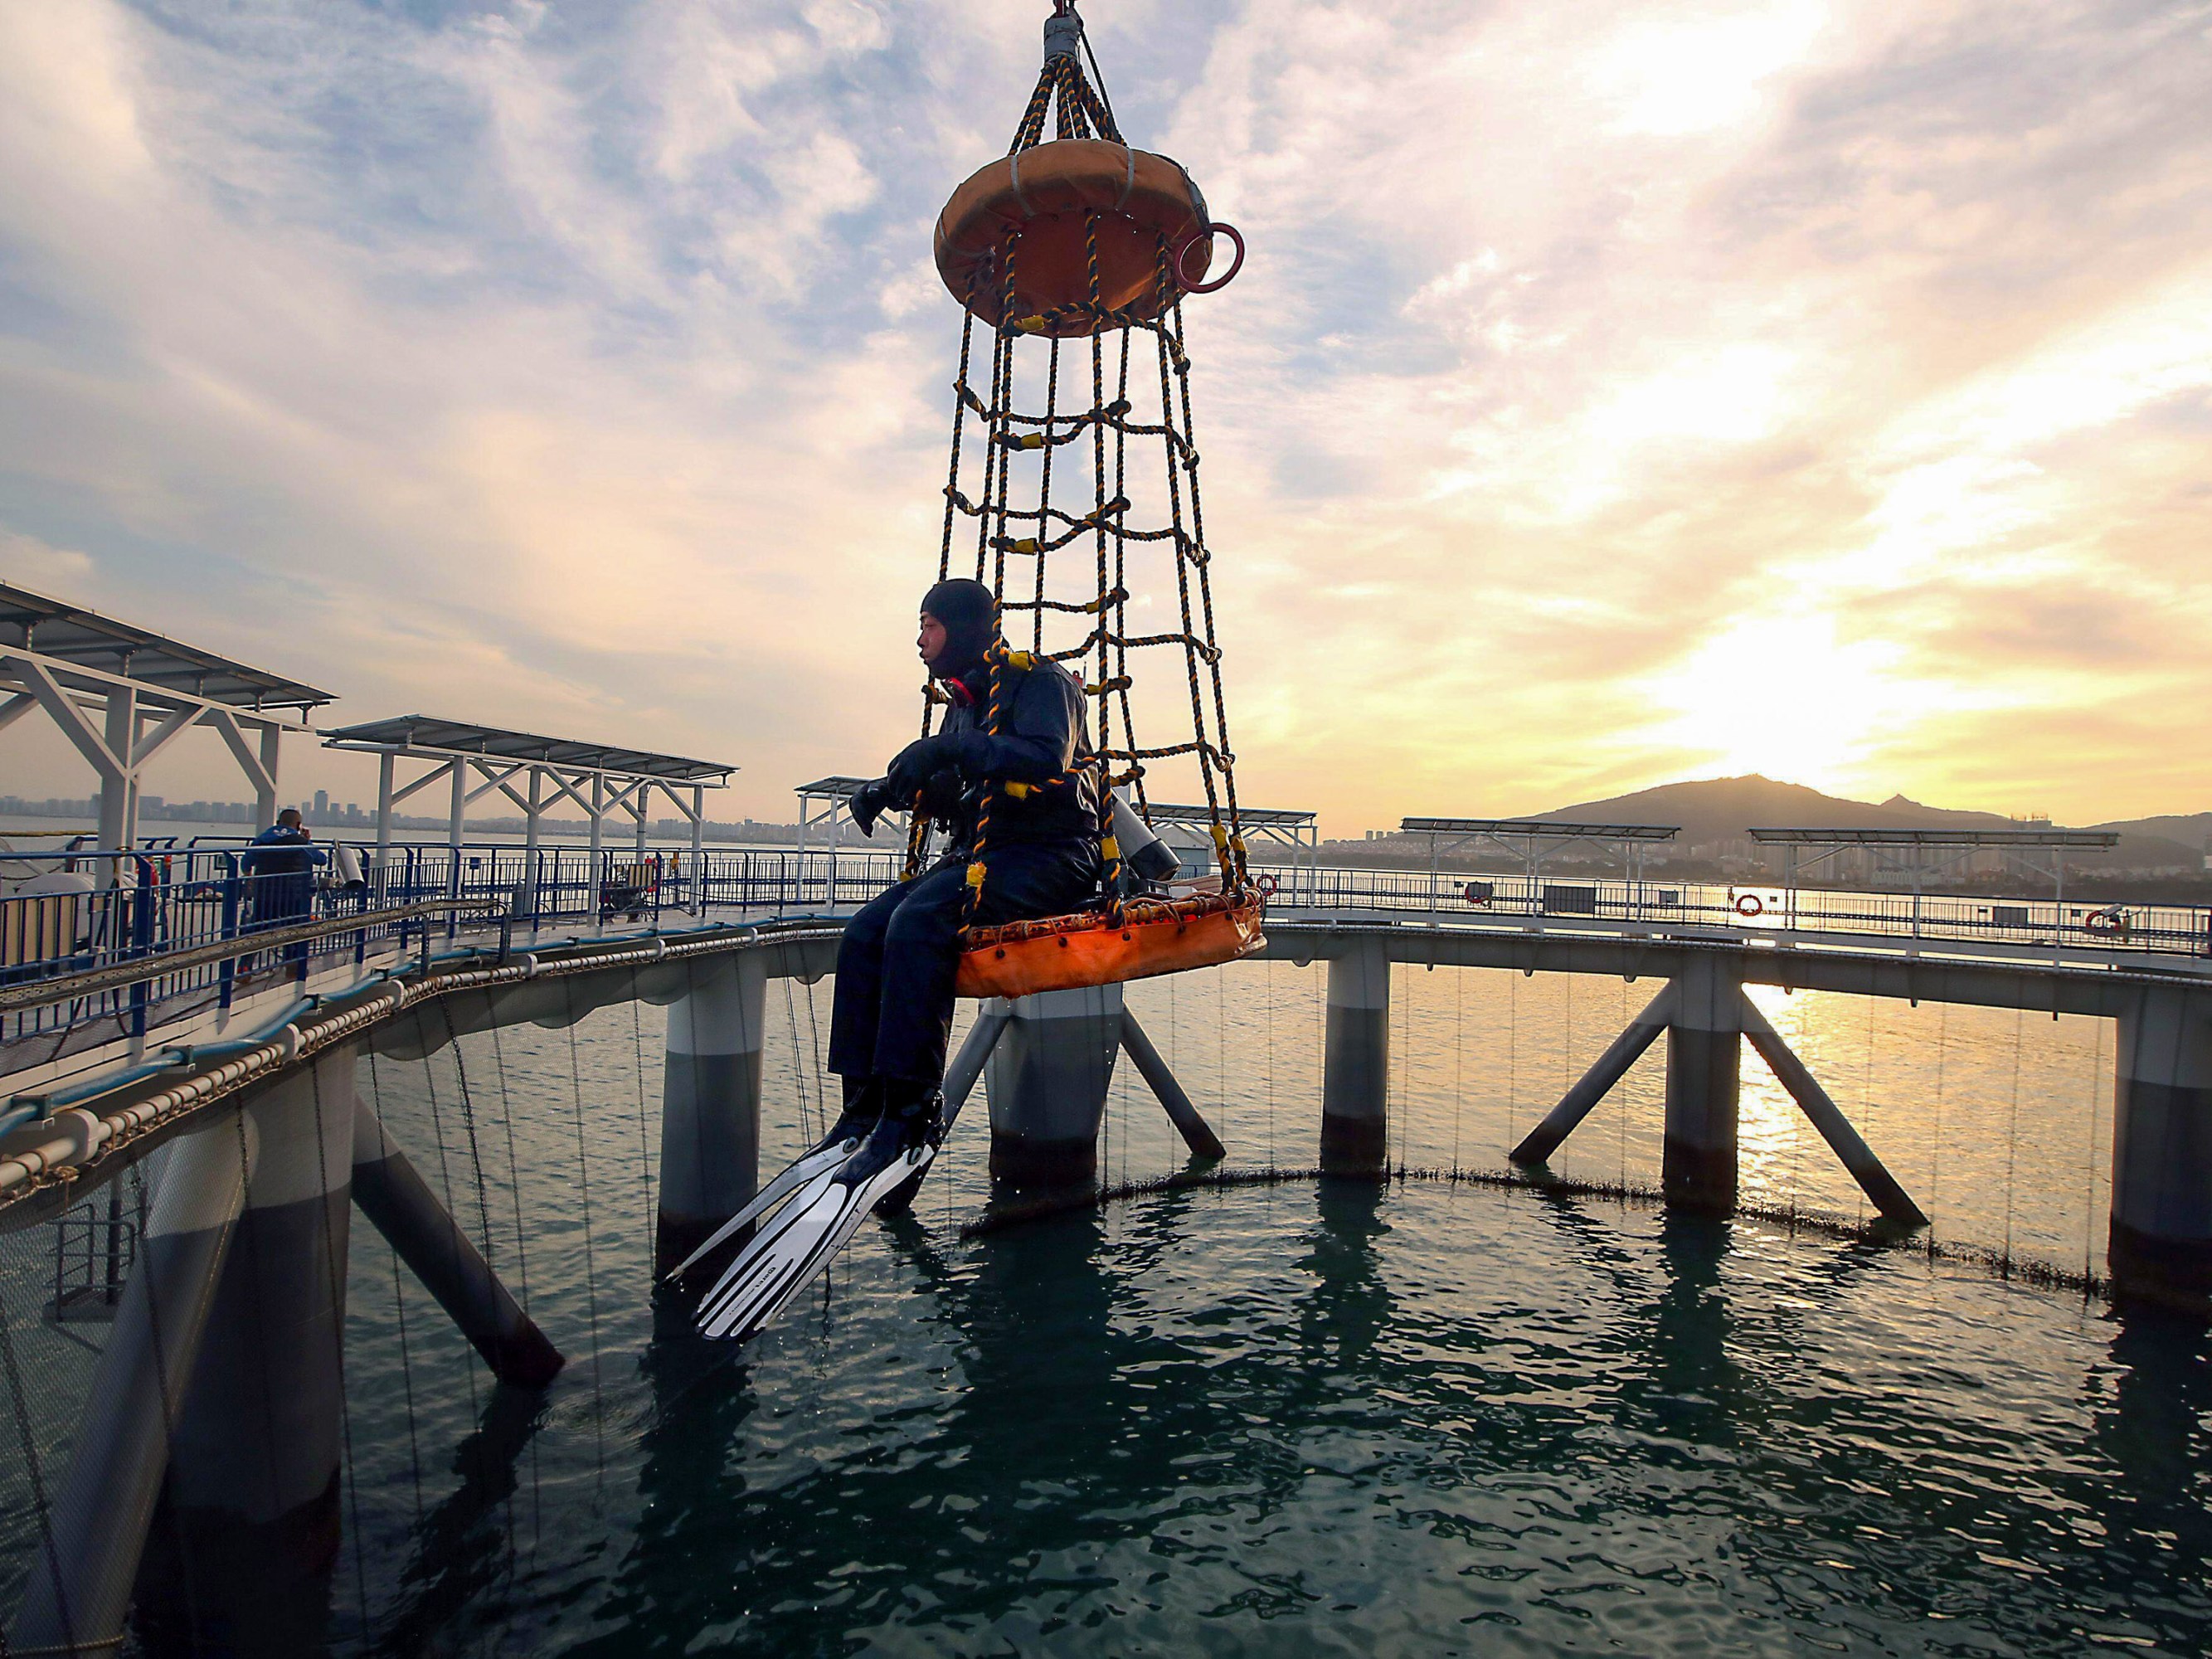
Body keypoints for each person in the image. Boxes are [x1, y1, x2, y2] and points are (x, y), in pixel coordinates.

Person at [829, 577, 1105, 1177]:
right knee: (863, 934)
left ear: (963, 628)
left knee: (917, 924)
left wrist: (946, 752)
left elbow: (1043, 758)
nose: (920, 641)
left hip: (1052, 857)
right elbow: (963, 793)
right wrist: (894, 791)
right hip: (983, 856)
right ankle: (861, 1110)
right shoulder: (962, 705)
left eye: (928, 625)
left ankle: (910, 1113)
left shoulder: (1042, 683)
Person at [241, 808, 327, 939]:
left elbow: (246, 863)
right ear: (299, 825)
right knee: (295, 932)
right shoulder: (302, 842)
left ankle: (248, 956)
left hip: (264, 895)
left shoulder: (261, 840)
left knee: (257, 931)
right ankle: (293, 954)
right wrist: (308, 841)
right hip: (294, 897)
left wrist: (249, 877)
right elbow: (321, 860)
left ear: (277, 822)